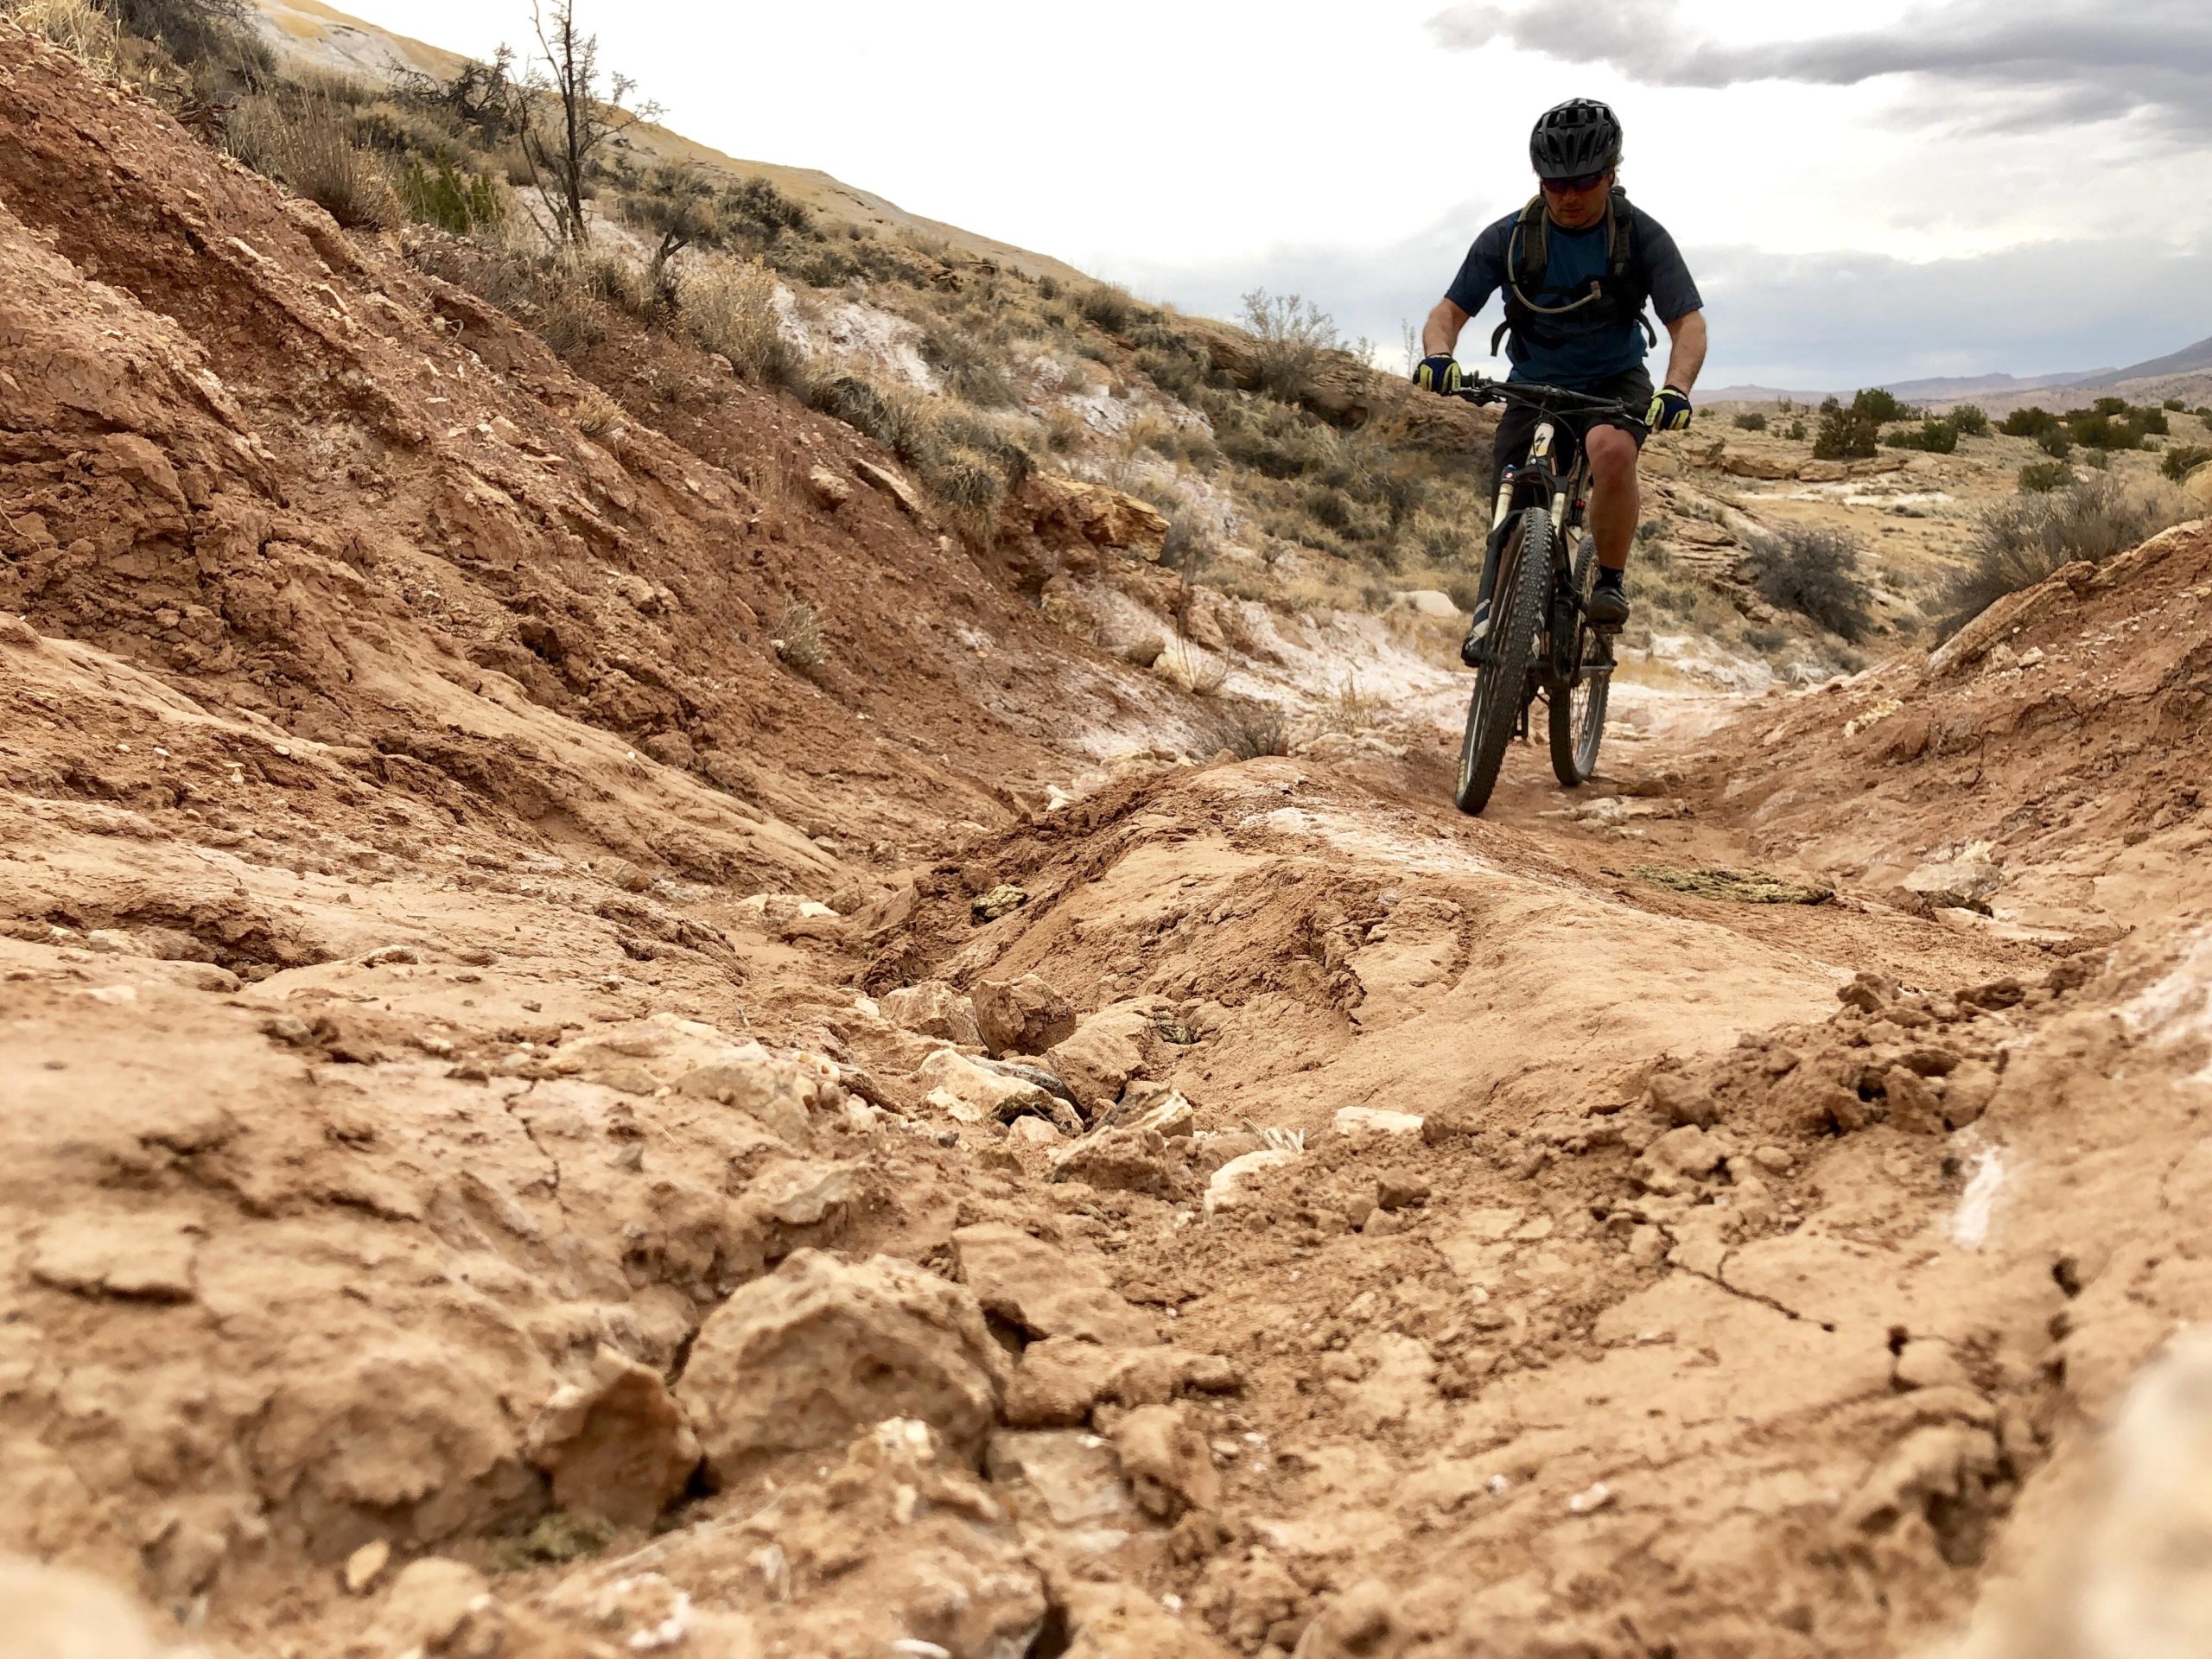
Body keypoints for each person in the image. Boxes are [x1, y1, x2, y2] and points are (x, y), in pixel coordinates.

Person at [1413, 97, 1707, 646]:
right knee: (1512, 490)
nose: (1568, 195)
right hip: (1533, 385)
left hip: (1612, 382)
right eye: (1555, 182)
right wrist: (1437, 355)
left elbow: (1687, 324)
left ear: (1611, 174)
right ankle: (1494, 614)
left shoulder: (1640, 236)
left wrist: (1676, 390)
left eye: (1584, 181)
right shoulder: (1510, 238)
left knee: (1613, 452)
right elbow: (1448, 313)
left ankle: (1610, 583)